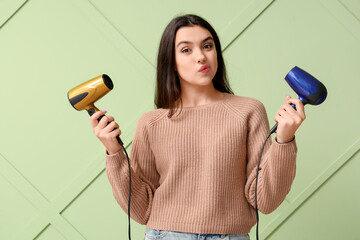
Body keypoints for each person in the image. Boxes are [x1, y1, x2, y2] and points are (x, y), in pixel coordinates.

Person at [90, 14, 305, 240]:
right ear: (171, 62)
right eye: (186, 50)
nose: (201, 57)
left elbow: (265, 201)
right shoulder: (151, 123)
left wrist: (284, 140)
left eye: (207, 46)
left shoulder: (248, 111)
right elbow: (141, 210)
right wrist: (114, 152)